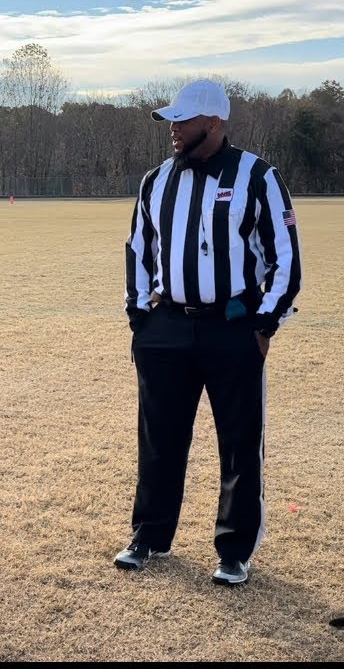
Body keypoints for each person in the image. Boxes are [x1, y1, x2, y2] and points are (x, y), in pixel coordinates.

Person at [118, 78, 302, 586]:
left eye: (183, 120)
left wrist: (264, 326)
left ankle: (234, 549)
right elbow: (138, 249)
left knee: (240, 444)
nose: (173, 129)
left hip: (233, 327)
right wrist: (141, 318)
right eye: (171, 120)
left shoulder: (258, 176)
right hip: (167, 327)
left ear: (214, 123)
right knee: (158, 439)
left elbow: (285, 259)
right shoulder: (156, 180)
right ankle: (149, 536)